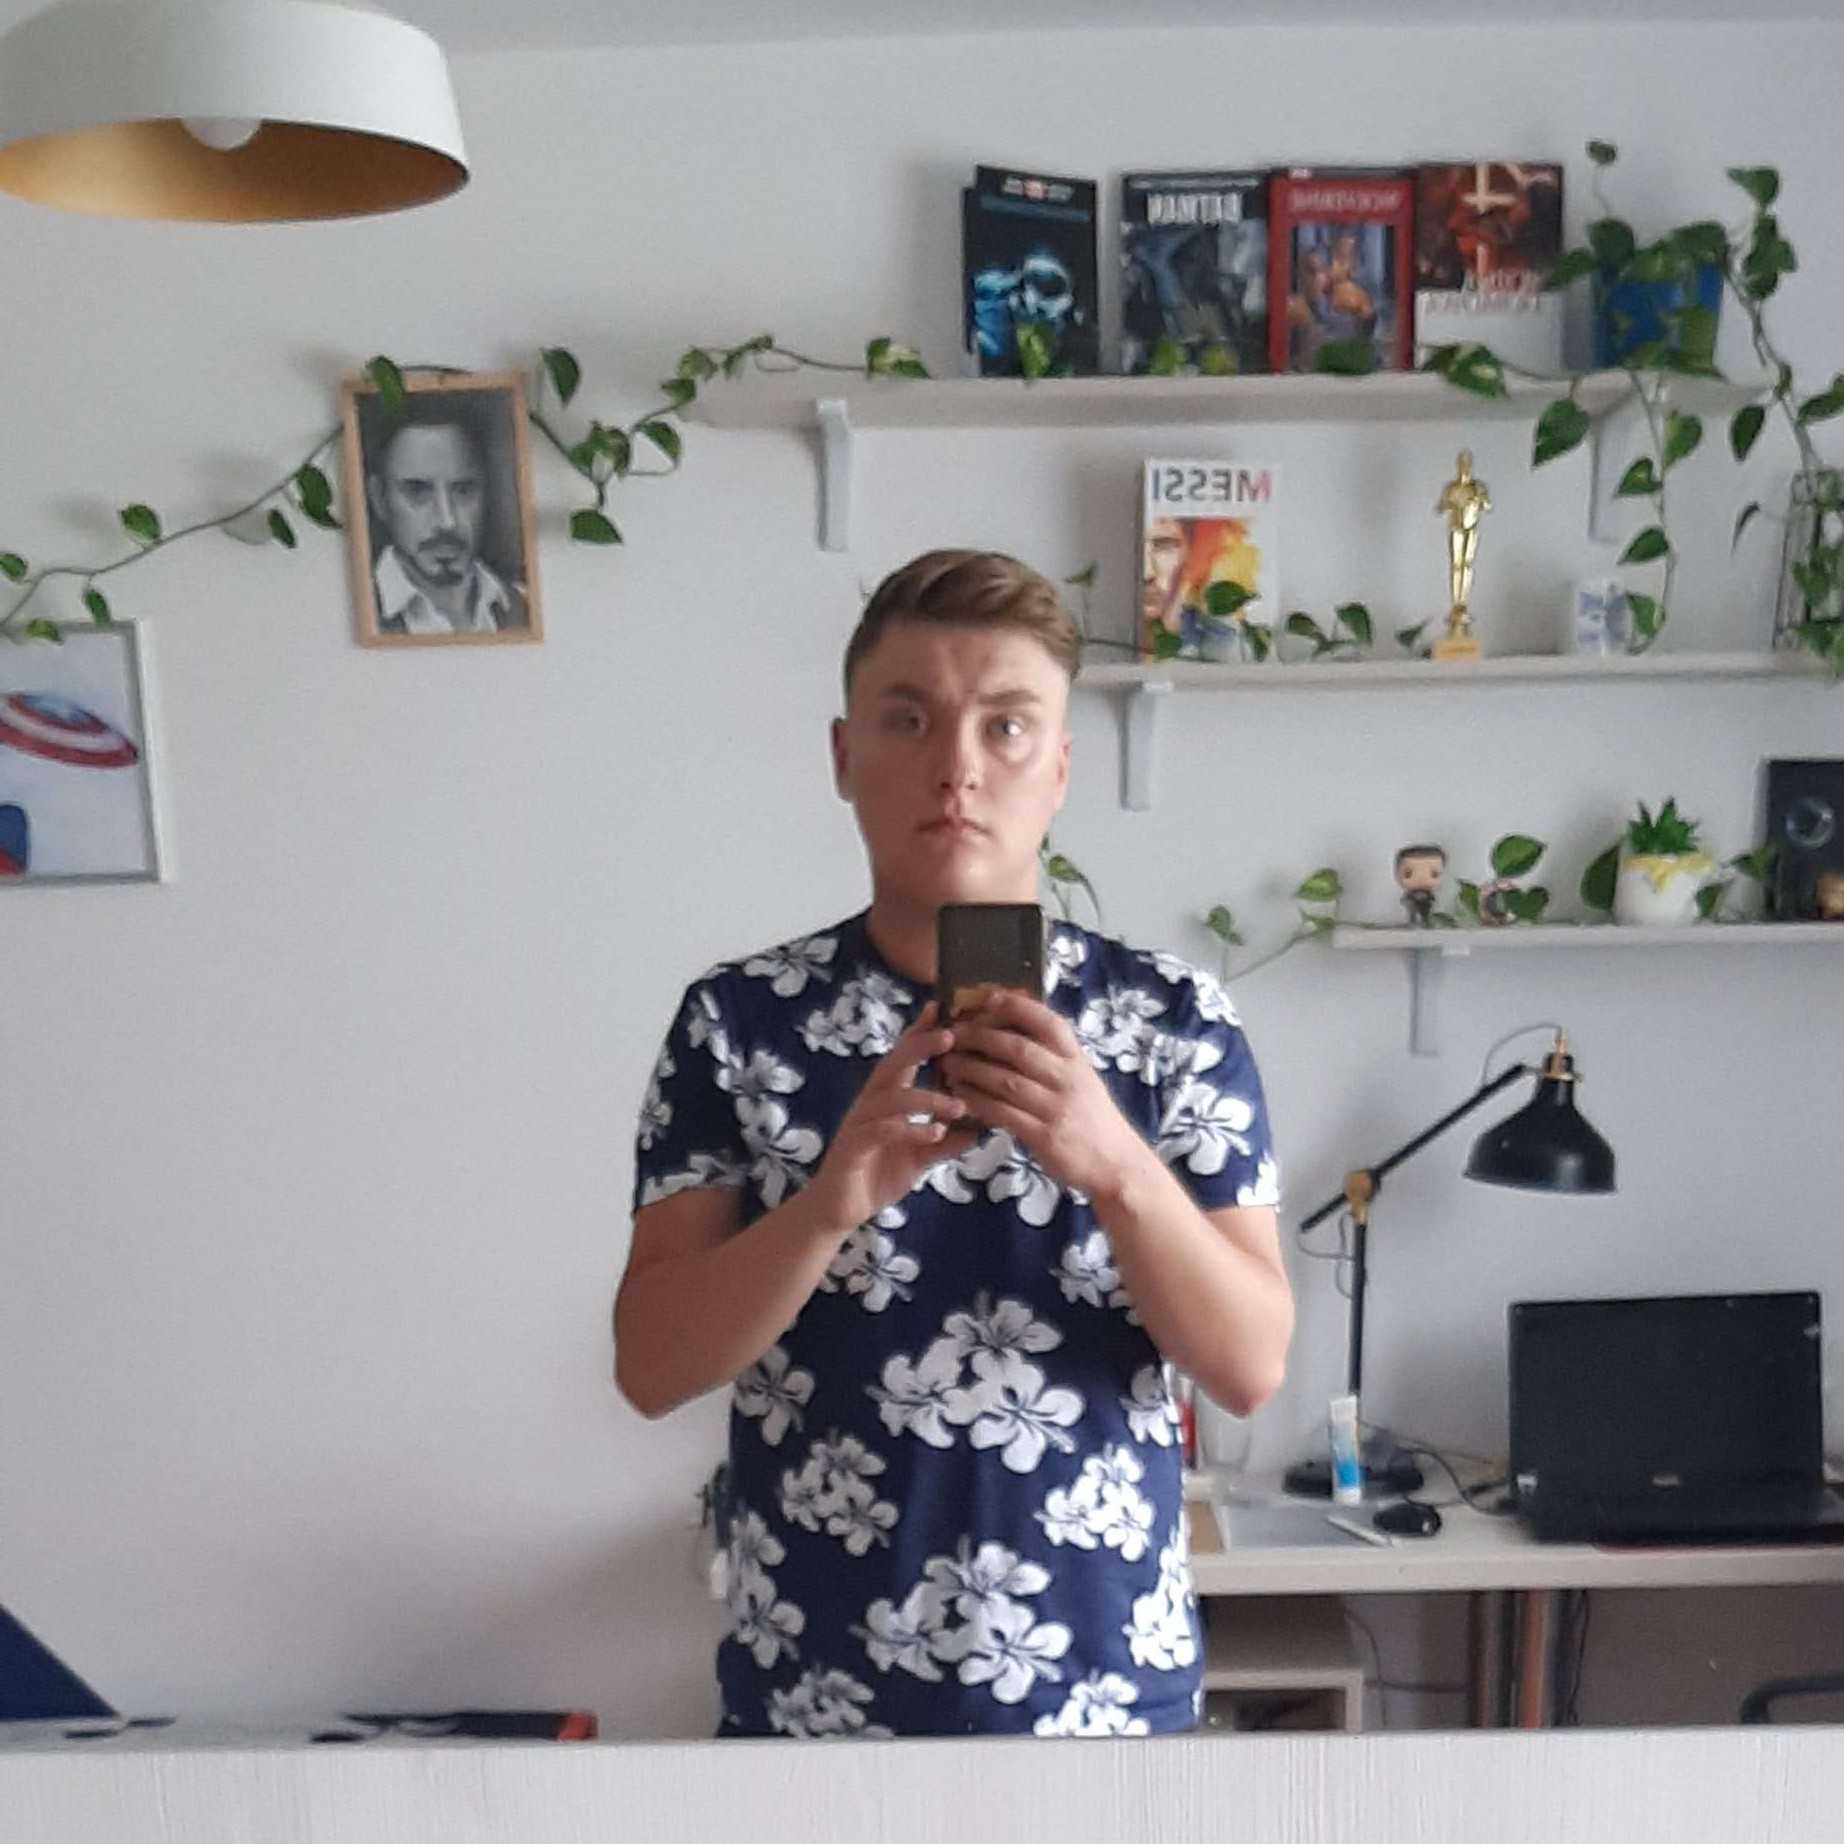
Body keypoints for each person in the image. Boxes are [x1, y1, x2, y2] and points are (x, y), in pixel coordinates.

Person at [614, 550, 1292, 1741]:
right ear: (842, 756)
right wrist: (826, 1204)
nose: (957, 766)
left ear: (1060, 766)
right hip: (815, 1709)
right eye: (908, 718)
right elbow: (649, 1363)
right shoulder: (738, 1022)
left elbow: (1247, 1365)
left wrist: (1114, 1164)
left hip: (1105, 1707)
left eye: (1005, 725)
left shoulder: (1171, 1021)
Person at [364, 402, 526, 637]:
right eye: (417, 491)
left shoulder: (524, 606)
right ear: (379, 499)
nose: (447, 521)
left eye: (464, 490)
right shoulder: (351, 613)